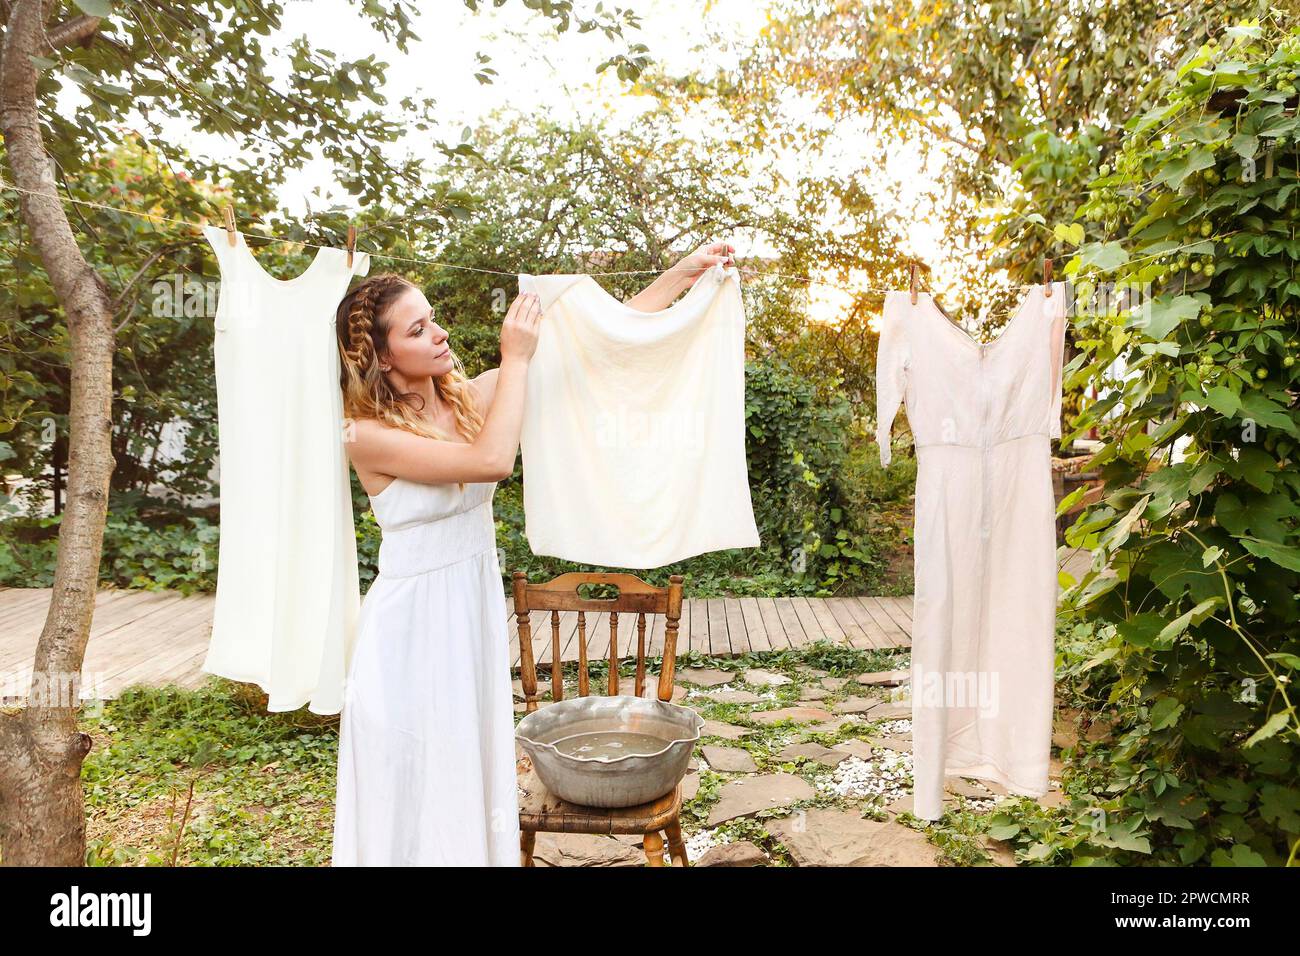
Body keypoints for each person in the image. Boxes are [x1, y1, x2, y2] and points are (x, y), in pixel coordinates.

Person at [329, 242, 735, 866]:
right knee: (413, 777)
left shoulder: (462, 402)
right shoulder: (367, 435)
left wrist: (680, 276)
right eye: (418, 330)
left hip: (471, 609)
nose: (440, 335)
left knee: (469, 766)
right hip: (411, 631)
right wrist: (514, 359)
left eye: (433, 318)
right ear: (382, 357)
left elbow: (593, 353)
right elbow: (491, 460)